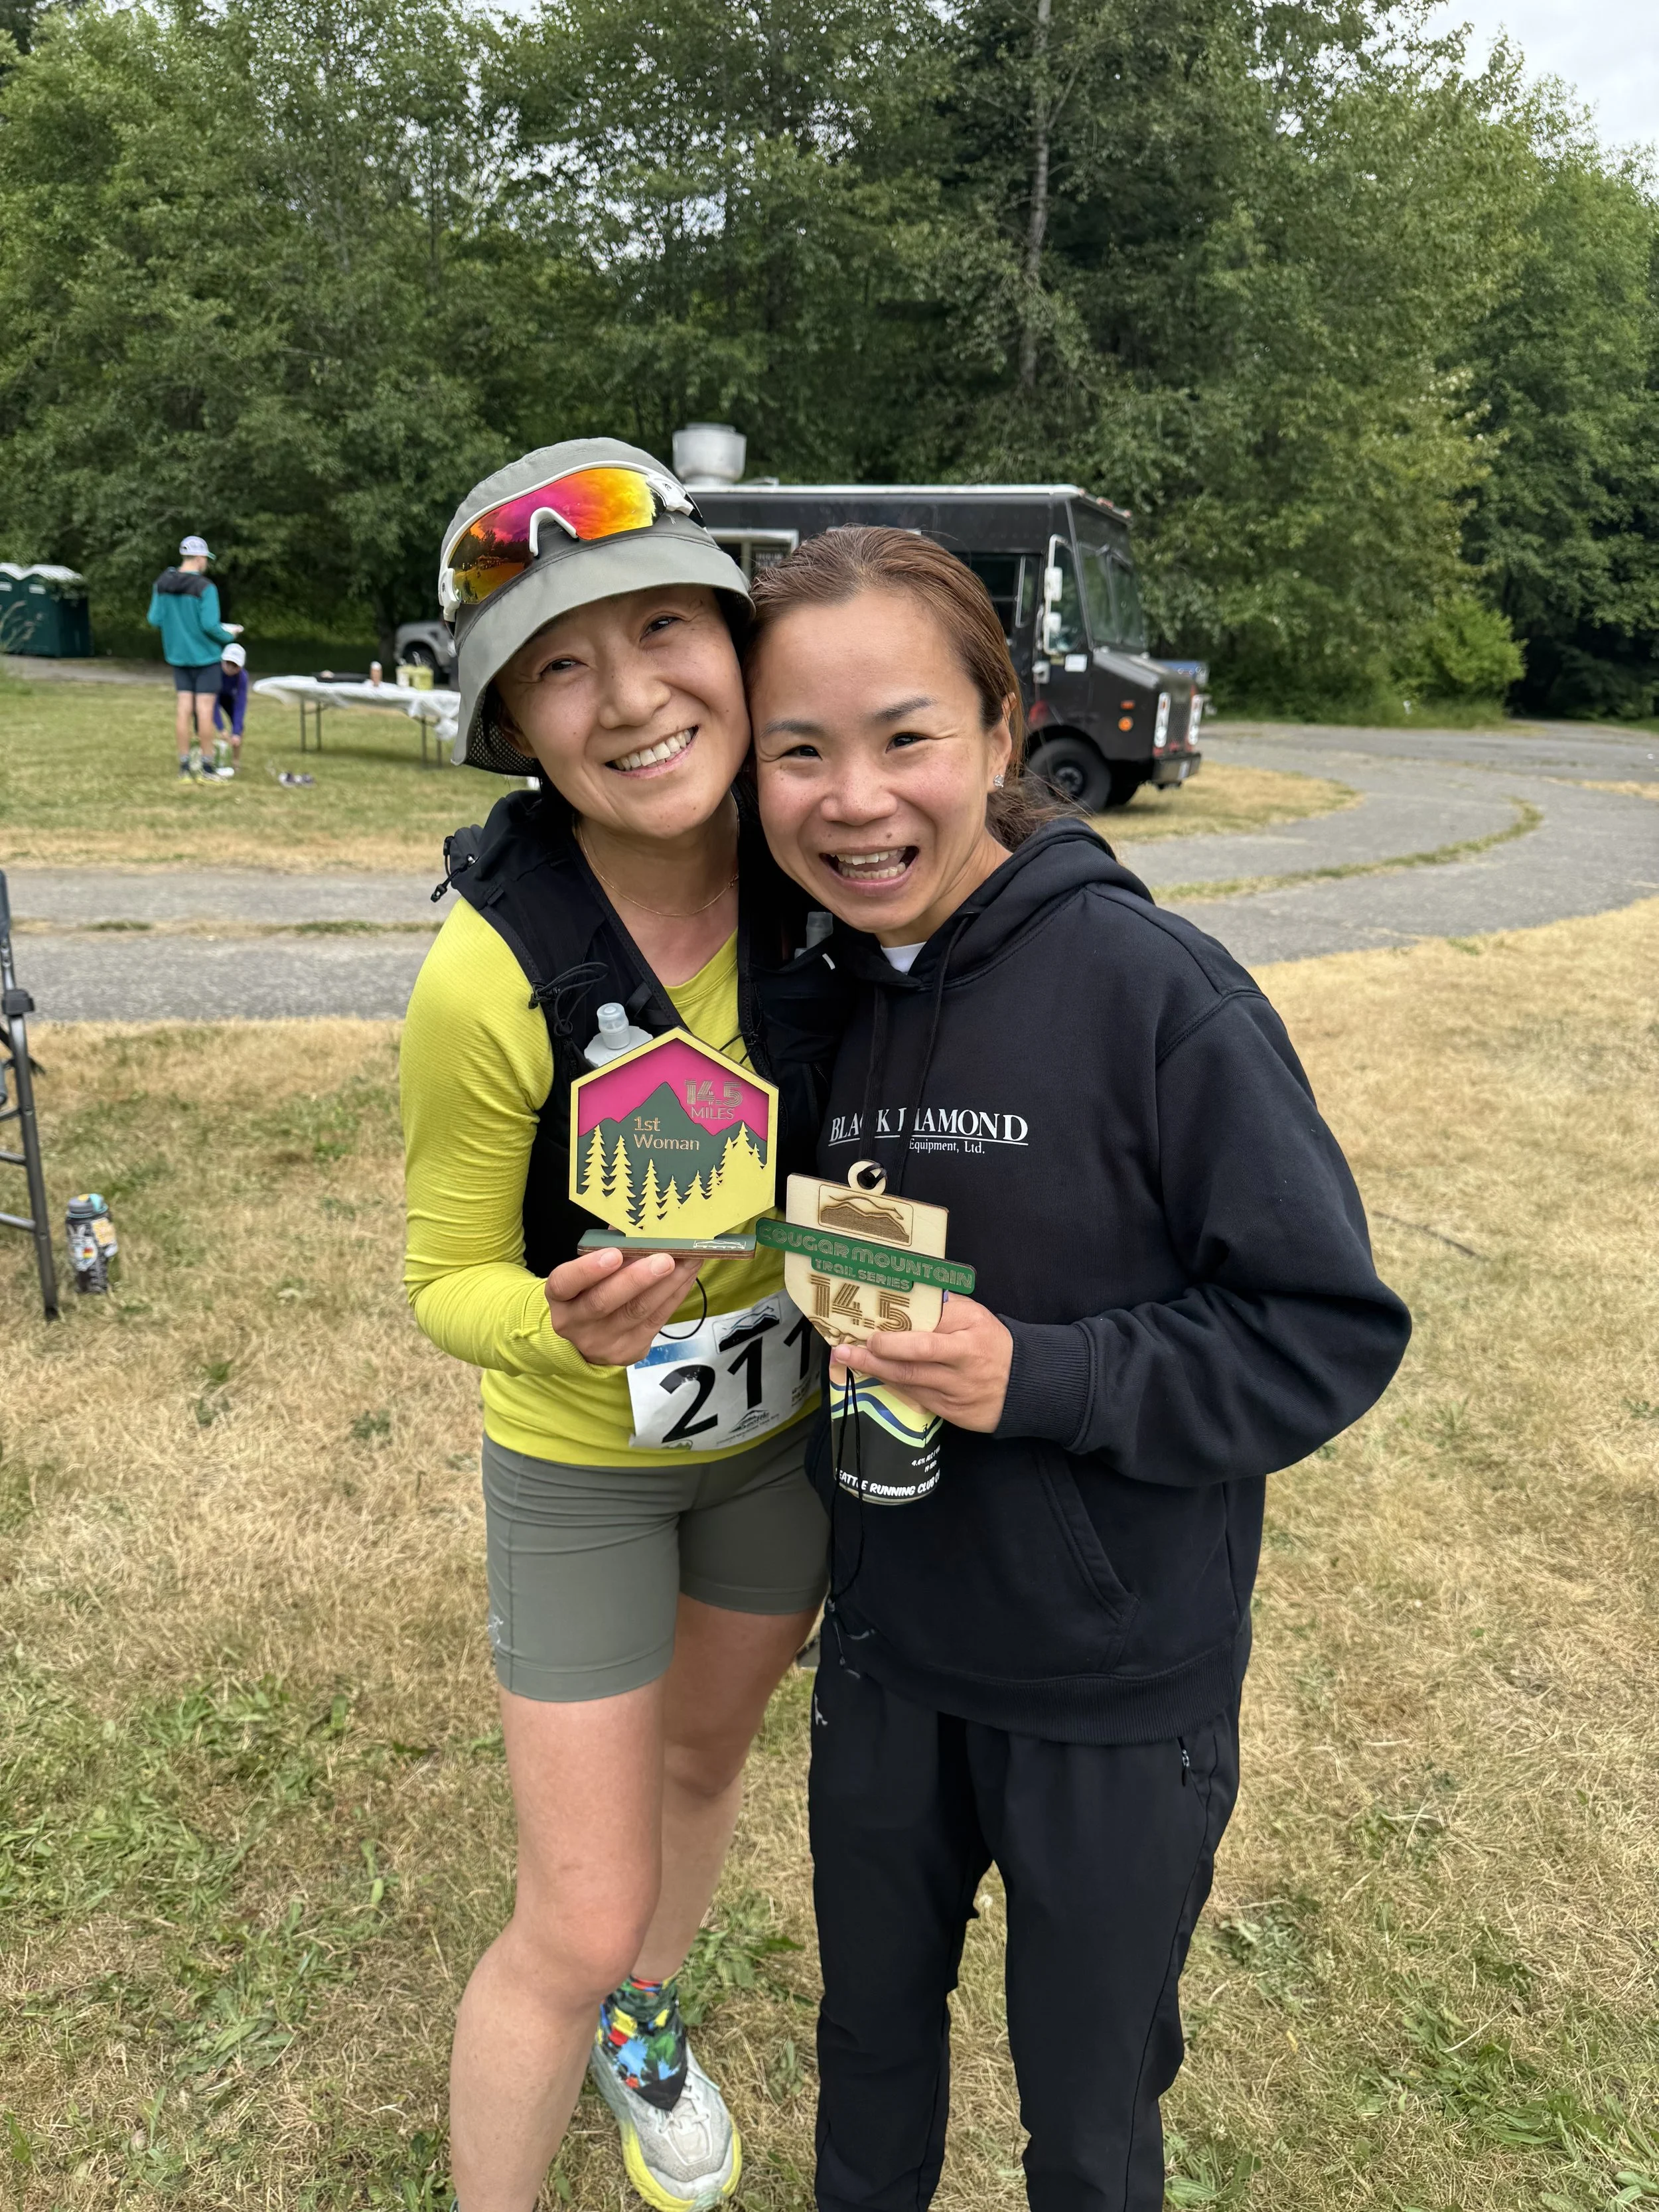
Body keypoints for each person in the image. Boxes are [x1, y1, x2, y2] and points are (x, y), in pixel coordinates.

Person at [745, 527, 1411, 2212]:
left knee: (1091, 2125)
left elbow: (1323, 1330)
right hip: (891, 1662)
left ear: (1001, 725)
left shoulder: (1157, 996)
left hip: (1112, 1693)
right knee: (870, 2065)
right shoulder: (819, 1000)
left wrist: (1041, 1376)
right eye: (798, 750)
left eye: (904, 737)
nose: (853, 797)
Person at [399, 439, 843, 2212]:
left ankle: (645, 2025)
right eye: (561, 661)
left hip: (778, 1443)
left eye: (667, 627)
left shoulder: (824, 863)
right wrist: (554, 1324)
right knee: (570, 1915)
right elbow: (444, 1274)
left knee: (704, 1759)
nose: (632, 692)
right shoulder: (489, 974)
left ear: (741, 650)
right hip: (588, 1461)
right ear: (511, 721)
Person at [146, 533, 243, 780]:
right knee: (205, 710)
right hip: (205, 658)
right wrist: (230, 636)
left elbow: (154, 619)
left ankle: (184, 765)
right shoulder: (206, 588)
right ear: (200, 558)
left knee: (183, 710)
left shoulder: (162, 584)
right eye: (206, 559)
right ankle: (208, 767)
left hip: (178, 657)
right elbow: (211, 626)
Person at [212, 639, 249, 771]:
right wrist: (221, 728)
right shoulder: (214, 672)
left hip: (229, 698)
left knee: (240, 728)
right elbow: (213, 704)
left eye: (235, 665)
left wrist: (236, 732)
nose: (230, 668)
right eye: (228, 663)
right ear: (222, 661)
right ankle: (206, 757)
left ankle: (235, 762)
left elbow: (240, 704)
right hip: (213, 696)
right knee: (204, 721)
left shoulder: (242, 678)